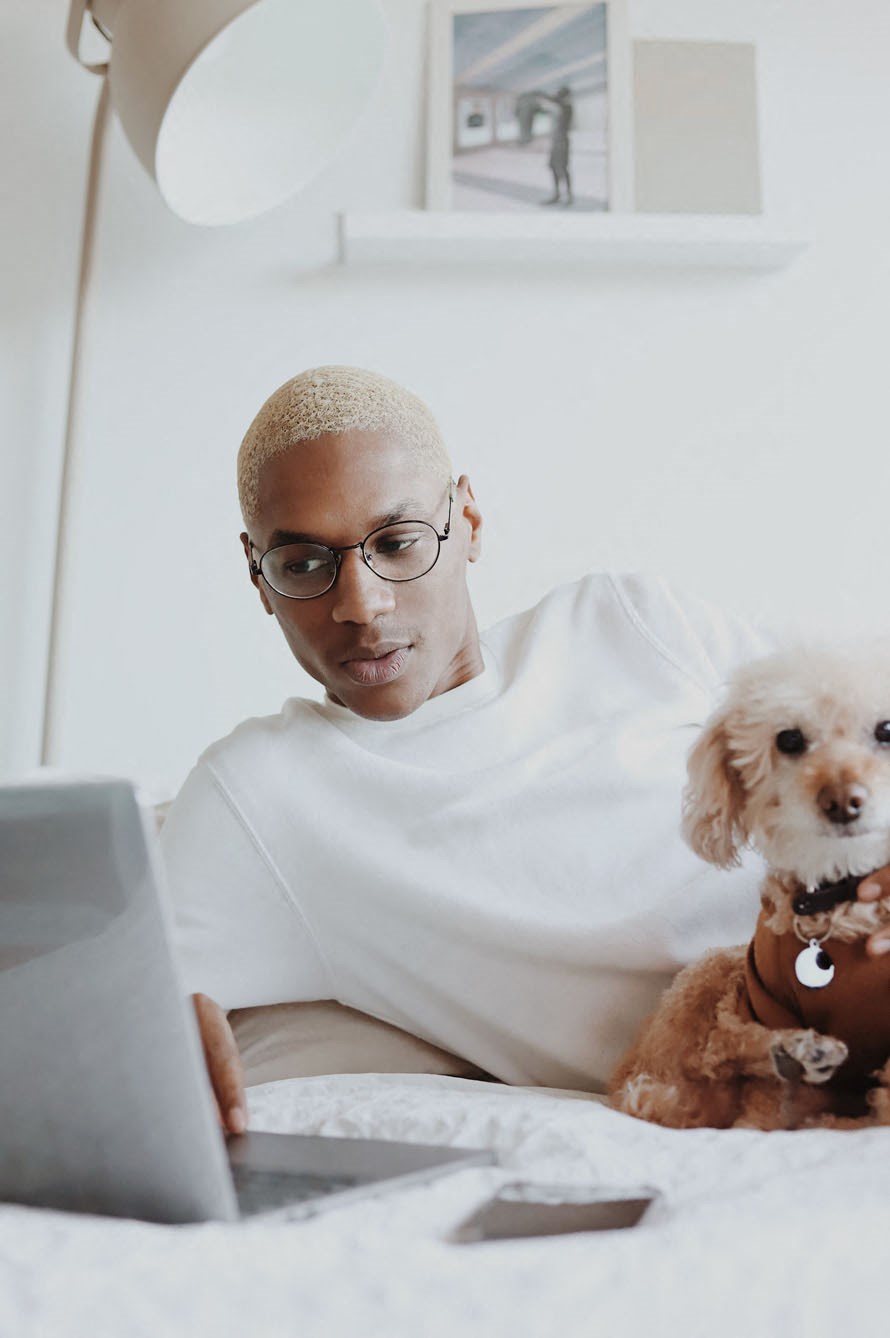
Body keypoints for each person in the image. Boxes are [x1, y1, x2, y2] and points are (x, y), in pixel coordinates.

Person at [160, 366, 890, 1135]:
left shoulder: (628, 620)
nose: (361, 605)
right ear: (257, 576)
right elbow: (100, 1007)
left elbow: (857, 728)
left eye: (398, 543)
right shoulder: (262, 795)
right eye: (303, 564)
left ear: (468, 519)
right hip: (732, 1074)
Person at [537, 86, 573, 206]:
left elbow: (555, 101)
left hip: (562, 142)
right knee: (553, 167)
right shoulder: (561, 107)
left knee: (562, 168)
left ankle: (568, 195)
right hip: (556, 141)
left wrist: (544, 95)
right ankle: (557, 194)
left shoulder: (567, 107)